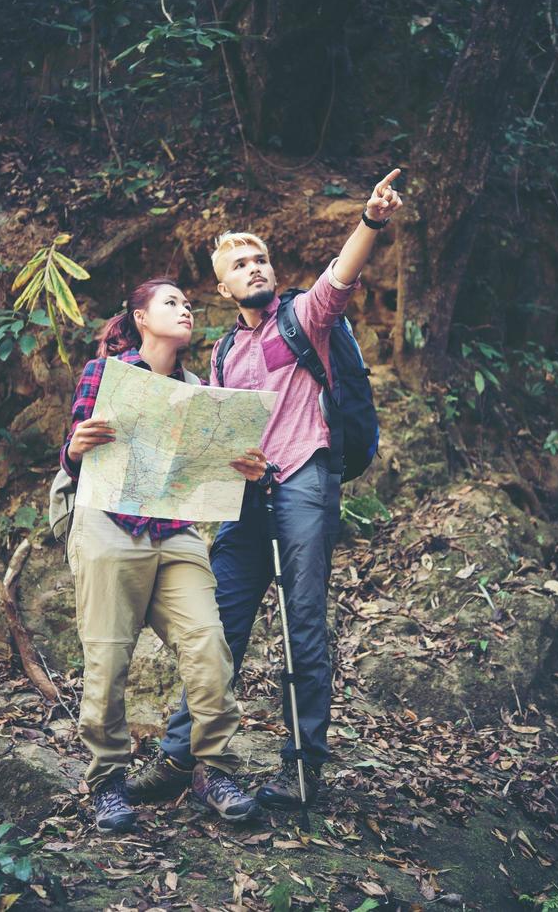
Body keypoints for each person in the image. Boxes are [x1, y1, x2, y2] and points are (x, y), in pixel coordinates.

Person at [127, 172, 403, 810]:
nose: (254, 269)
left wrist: (371, 221)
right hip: (244, 498)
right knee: (216, 626)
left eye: (260, 260)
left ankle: (302, 769)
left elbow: (341, 274)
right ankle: (180, 756)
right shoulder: (223, 353)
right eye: (239, 265)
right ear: (222, 287)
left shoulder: (305, 317)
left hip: (306, 481)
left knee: (302, 624)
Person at [60, 276, 268, 832]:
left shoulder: (198, 388)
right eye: (171, 303)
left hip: (176, 531)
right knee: (108, 658)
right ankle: (107, 781)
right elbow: (76, 452)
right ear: (141, 317)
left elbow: (209, 473)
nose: (186, 311)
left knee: (209, 646)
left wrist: (246, 471)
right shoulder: (104, 373)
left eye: (188, 303)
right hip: (109, 526)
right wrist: (75, 447)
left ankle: (212, 769)